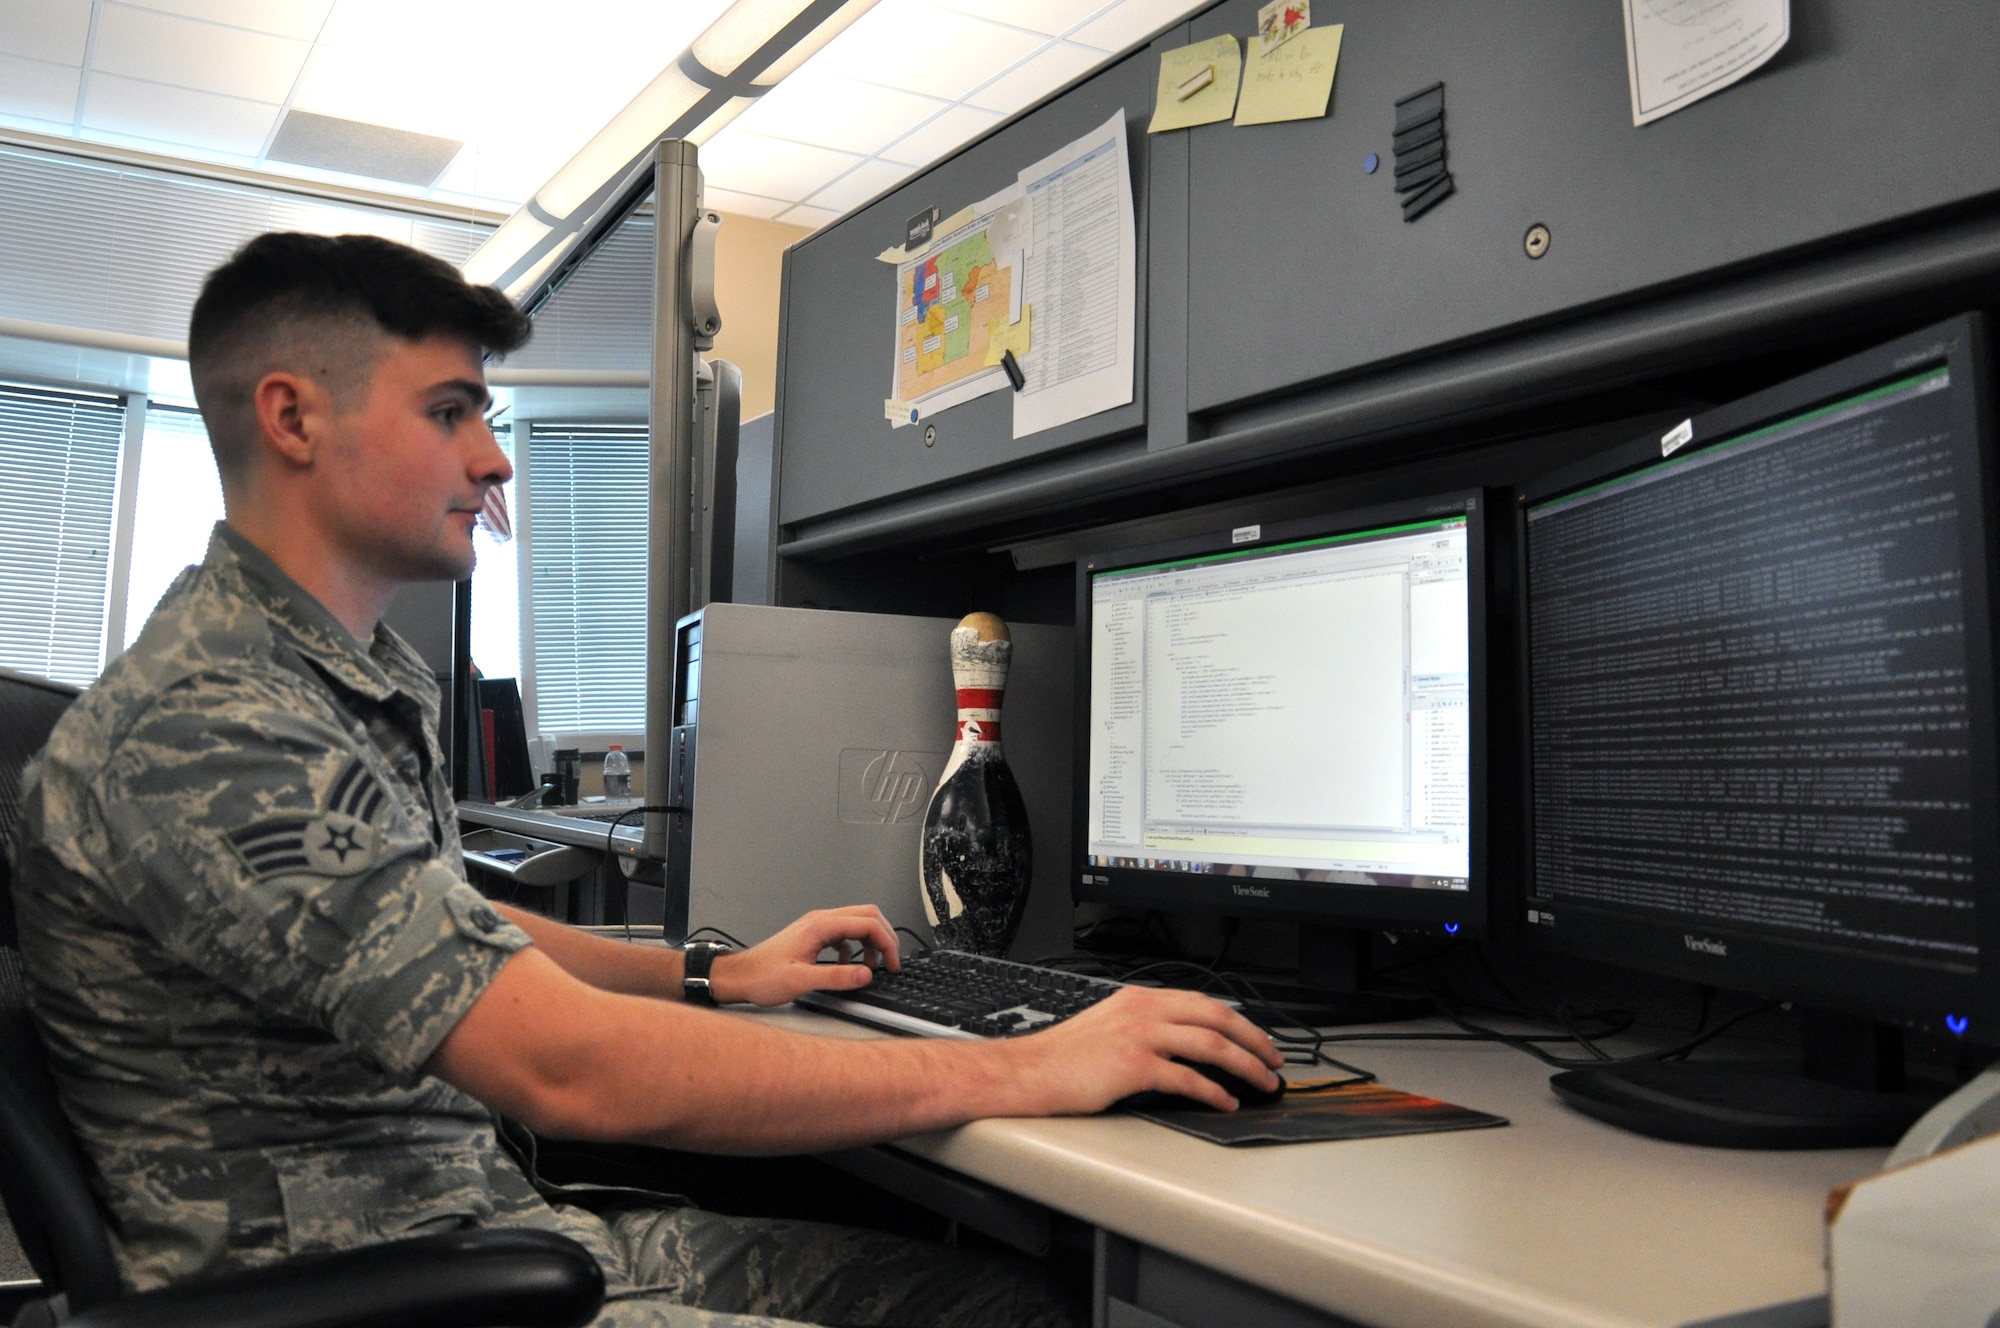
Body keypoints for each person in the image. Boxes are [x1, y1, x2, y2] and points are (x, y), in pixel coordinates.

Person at [9, 233, 1280, 1326]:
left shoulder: (311, 680)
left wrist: (718, 971)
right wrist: (1023, 1065)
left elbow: (451, 928)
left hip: (475, 1235)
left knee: (1001, 1302)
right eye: (451, 410)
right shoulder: (212, 723)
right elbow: (569, 1070)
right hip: (387, 1287)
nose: (494, 459)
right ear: (292, 417)